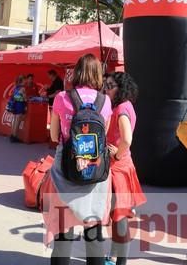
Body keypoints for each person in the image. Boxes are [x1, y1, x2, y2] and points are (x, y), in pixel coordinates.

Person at [43, 53, 112, 265]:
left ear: (77, 73)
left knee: (63, 227)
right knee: (93, 228)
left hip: (66, 168)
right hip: (95, 170)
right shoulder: (105, 101)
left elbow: (55, 136)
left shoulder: (62, 98)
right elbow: (104, 136)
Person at [103, 72, 146, 265]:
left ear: (121, 88)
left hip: (118, 168)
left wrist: (117, 154)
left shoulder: (121, 108)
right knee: (117, 216)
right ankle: (114, 257)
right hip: (121, 166)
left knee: (119, 217)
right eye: (106, 84)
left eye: (110, 85)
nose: (107, 88)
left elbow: (127, 139)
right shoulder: (126, 105)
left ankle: (120, 261)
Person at [9, 75, 27, 143]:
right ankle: (15, 136)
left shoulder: (16, 87)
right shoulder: (23, 88)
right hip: (20, 105)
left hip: (15, 104)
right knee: (17, 121)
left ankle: (12, 135)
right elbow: (25, 98)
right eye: (25, 80)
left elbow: (14, 96)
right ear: (23, 80)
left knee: (15, 120)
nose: (26, 81)